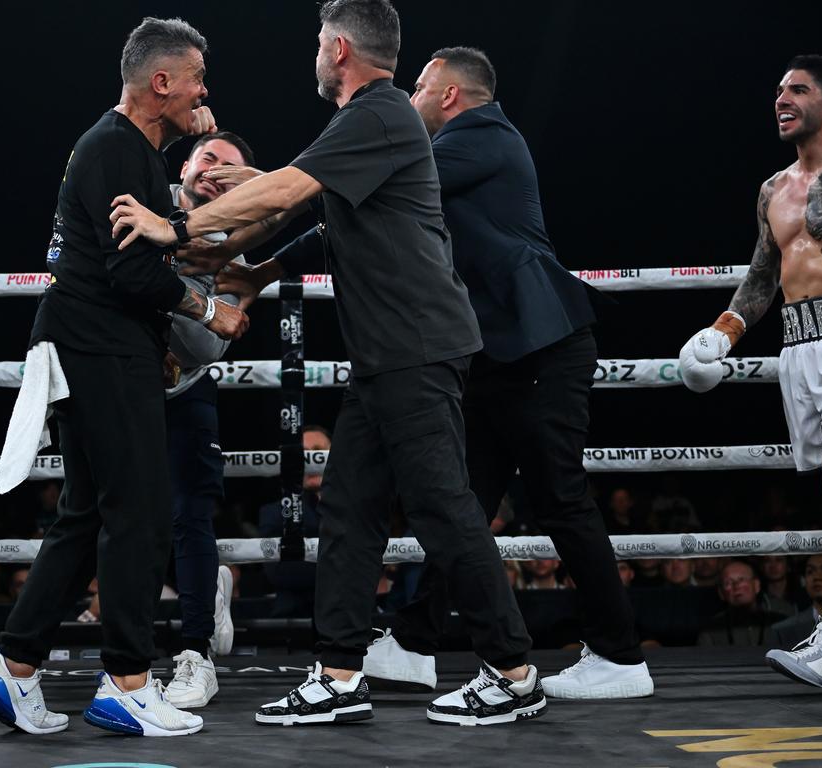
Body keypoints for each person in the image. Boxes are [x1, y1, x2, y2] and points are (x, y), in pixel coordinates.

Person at [111, 0, 546, 728]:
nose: (315, 52)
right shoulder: (364, 122)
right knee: (347, 511)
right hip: (386, 355)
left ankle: (515, 671)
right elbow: (306, 206)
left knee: (442, 507)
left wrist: (176, 225)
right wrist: (244, 264)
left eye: (319, 41)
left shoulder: (379, 114)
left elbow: (288, 189)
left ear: (338, 48)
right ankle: (340, 673)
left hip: (417, 348)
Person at [0, 17, 246, 738]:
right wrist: (209, 310)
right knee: (138, 512)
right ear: (161, 82)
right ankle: (126, 679)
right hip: (105, 351)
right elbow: (132, 269)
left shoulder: (119, 146)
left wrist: (181, 138)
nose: (204, 91)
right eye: (195, 79)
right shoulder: (121, 153)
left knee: (86, 514)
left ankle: (15, 666)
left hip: (83, 346)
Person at [358, 46, 651, 699]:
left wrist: (268, 186)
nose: (410, 97)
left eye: (420, 85)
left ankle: (621, 656)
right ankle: (412, 641)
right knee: (458, 499)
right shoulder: (458, 148)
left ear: (451, 95)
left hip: (543, 344)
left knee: (559, 499)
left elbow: (373, 181)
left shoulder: (482, 136)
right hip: (496, 355)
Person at [677, 54, 822, 687]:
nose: (782, 98)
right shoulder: (774, 189)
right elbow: (763, 275)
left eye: (799, 89)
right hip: (801, 349)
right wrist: (723, 333)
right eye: (778, 90)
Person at [160, 130, 259, 709]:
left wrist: (164, 315)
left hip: (187, 389)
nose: (214, 169)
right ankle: (125, 662)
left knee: (190, 516)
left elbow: (210, 344)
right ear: (185, 167)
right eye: (206, 158)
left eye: (229, 165)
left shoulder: (242, 240)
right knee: (116, 516)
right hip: (125, 387)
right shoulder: (150, 201)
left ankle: (195, 653)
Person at [258, 425, 330, 617]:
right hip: (294, 620)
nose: (312, 461)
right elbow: (280, 572)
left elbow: (367, 567)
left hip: (352, 617)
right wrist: (342, 564)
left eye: (318, 452)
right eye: (304, 454)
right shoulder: (275, 513)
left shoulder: (357, 509)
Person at [697, 561, 788, 646]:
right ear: (721, 593)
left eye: (741, 580)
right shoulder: (712, 631)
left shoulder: (780, 624)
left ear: (756, 585)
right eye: (728, 582)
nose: (736, 586)